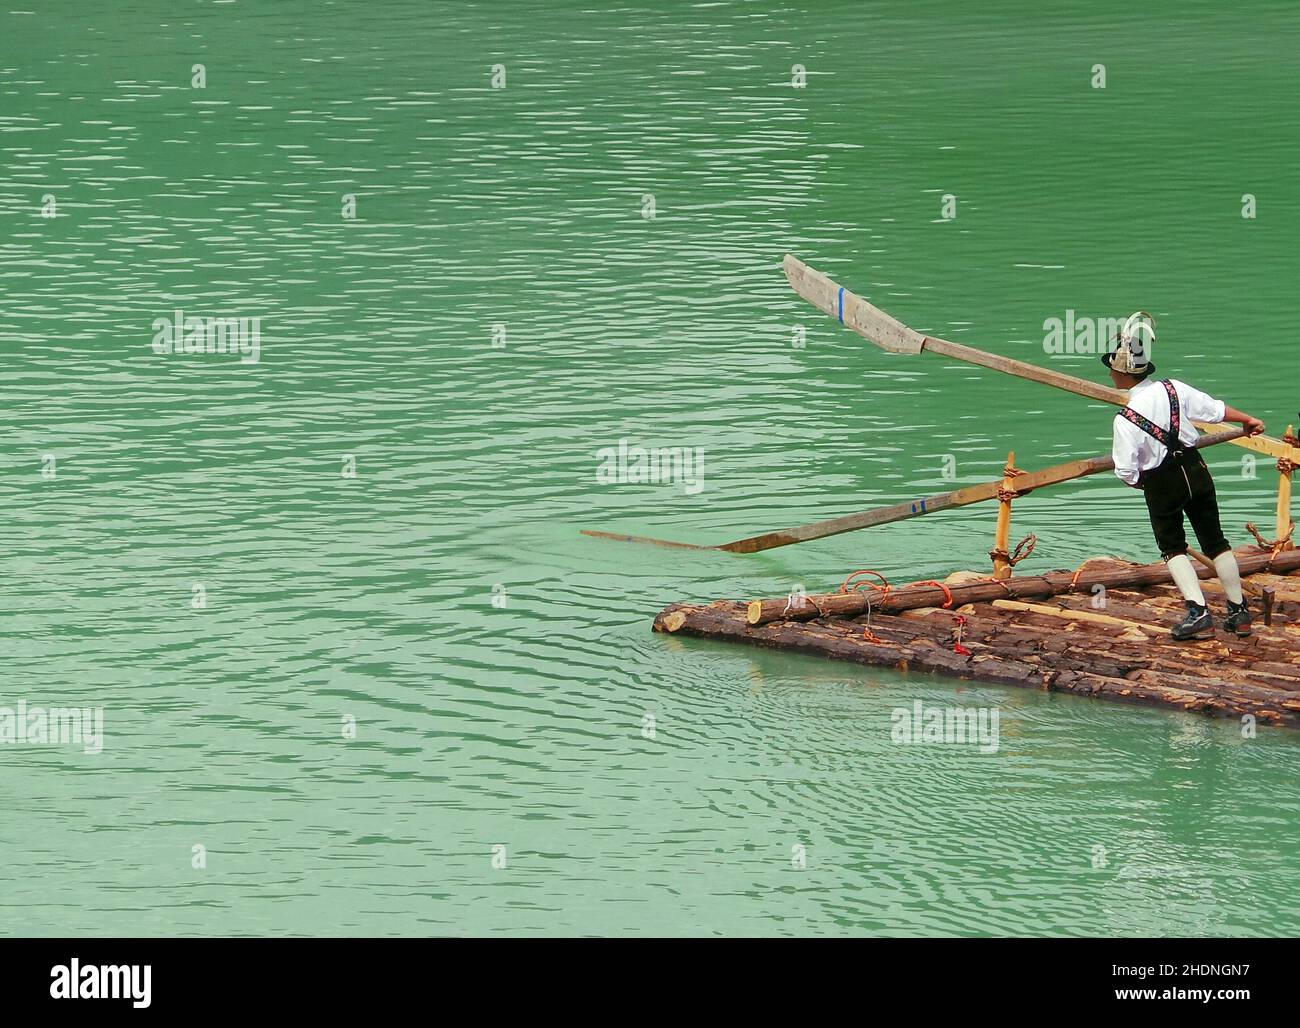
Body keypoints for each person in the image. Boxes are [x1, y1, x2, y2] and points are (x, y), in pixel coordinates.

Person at [1103, 313, 1266, 640]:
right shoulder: (1172, 388)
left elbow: (1125, 469)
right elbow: (1215, 410)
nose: (1109, 373)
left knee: (1173, 547)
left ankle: (1198, 613)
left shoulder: (1125, 419)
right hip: (1196, 468)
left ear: (1120, 374)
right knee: (1216, 541)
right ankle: (1239, 613)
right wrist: (1248, 419)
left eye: (1112, 369)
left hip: (1162, 482)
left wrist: (1143, 484)